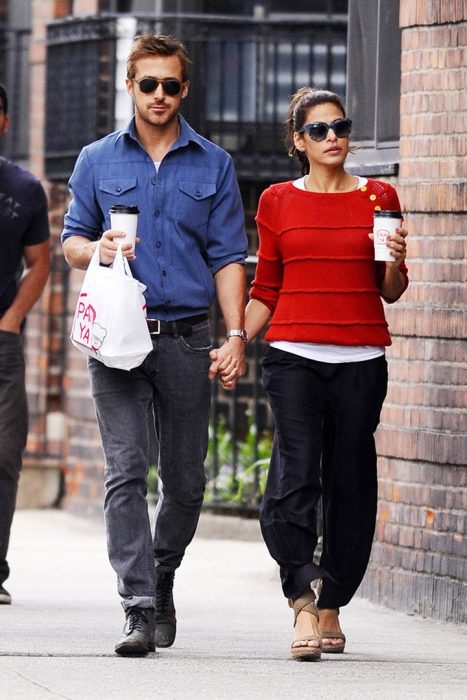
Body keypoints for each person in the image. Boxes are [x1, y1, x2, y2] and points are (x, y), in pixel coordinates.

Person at [61, 34, 248, 656]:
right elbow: (71, 243)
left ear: (184, 89)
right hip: (118, 340)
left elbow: (226, 258)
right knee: (124, 469)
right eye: (149, 84)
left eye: (171, 85)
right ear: (130, 86)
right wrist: (99, 250)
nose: (160, 95)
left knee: (187, 481)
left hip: (189, 337)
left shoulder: (214, 164)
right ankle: (139, 604)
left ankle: (162, 570)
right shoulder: (96, 160)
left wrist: (237, 334)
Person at [240, 87, 408, 660]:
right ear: (299, 142)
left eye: (340, 126)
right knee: (294, 477)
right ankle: (303, 603)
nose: (332, 136)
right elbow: (267, 289)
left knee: (351, 483)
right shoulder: (277, 201)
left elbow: (390, 291)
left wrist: (396, 260)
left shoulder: (379, 196)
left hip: (361, 359)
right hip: (292, 358)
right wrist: (237, 338)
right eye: (319, 130)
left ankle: (333, 600)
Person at [0, 83, 50, 605]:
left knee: (5, 453)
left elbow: (40, 263)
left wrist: (13, 318)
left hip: (2, 341)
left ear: (5, 121)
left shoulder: (23, 187)